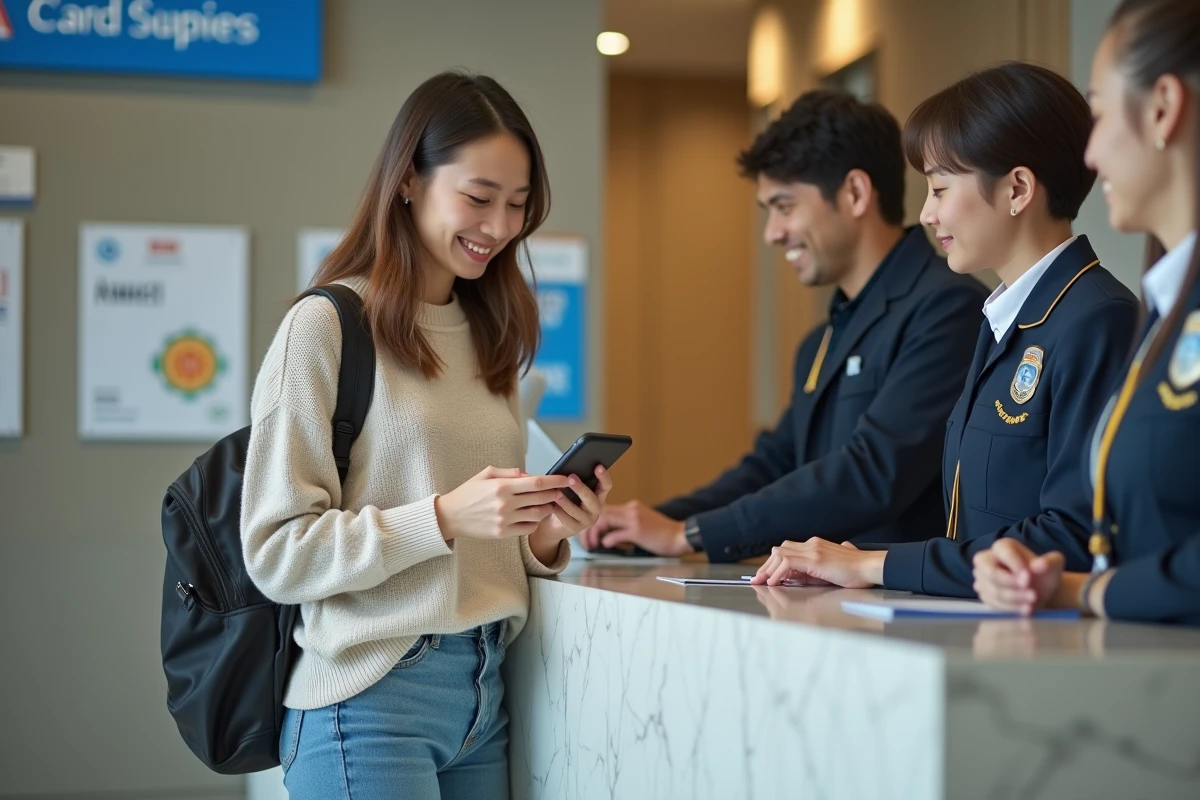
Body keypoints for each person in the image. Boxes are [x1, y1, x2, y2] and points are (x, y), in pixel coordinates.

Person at [239, 72, 612, 799]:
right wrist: (441, 518)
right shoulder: (325, 326)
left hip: (485, 696)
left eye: (518, 205)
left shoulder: (492, 334)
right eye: (478, 198)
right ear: (409, 180)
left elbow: (486, 547)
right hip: (370, 700)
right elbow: (276, 550)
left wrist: (543, 535)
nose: (500, 227)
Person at [753, 62, 1139, 594]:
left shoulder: (1096, 318)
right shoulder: (1004, 320)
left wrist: (874, 565)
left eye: (938, 189)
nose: (928, 214)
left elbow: (1068, 536)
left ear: (1017, 189)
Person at [580, 91, 988, 560]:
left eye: (785, 205)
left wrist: (688, 534)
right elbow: (773, 466)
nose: (773, 232)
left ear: (855, 193)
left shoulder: (948, 309)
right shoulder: (824, 338)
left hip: (904, 608)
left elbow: (873, 473)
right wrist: (658, 522)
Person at [974, 0, 1200, 626]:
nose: (1091, 154)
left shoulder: (1102, 311)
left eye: (1099, 115)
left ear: (1163, 108)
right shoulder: (1167, 307)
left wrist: (1089, 592)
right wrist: (1060, 580)